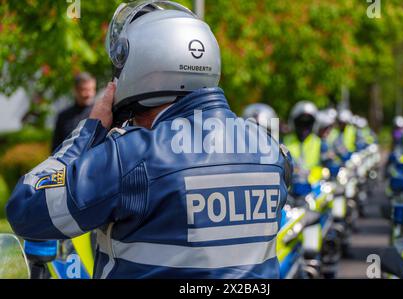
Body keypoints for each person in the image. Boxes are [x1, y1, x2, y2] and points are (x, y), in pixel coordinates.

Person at [6, 1, 291, 279]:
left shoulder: (131, 155)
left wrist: (89, 131)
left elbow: (26, 210)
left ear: (143, 67)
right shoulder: (271, 150)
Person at [52, 72, 96, 151]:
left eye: (91, 89)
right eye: (84, 90)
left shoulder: (100, 114)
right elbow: (55, 147)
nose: (88, 94)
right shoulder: (63, 116)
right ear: (75, 90)